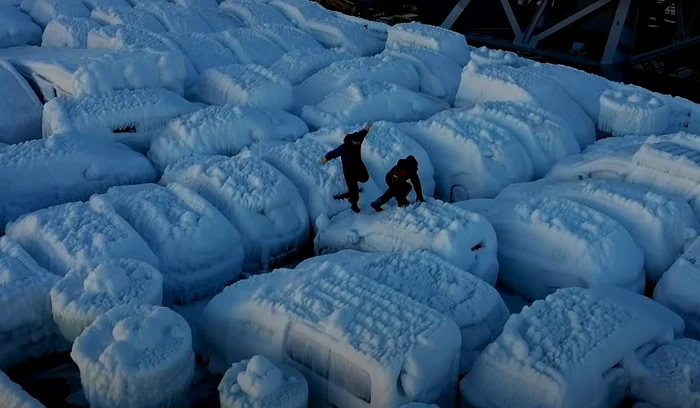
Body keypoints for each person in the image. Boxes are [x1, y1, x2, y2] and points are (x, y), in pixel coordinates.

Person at [320, 123, 371, 213]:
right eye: (356, 142)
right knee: (353, 190)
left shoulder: (357, 142)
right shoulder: (344, 148)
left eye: (359, 142)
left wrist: (365, 130)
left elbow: (361, 135)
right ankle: (353, 205)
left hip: (358, 165)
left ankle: (356, 182)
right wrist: (326, 158)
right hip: (349, 171)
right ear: (352, 141)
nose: (358, 143)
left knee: (365, 178)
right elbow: (334, 152)